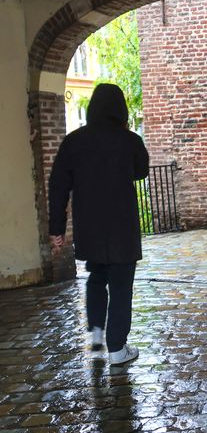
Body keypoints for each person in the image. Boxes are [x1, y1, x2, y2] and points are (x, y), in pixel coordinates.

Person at [49, 83, 149, 366]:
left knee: (96, 279)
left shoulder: (74, 141)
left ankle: (96, 336)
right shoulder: (129, 141)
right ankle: (117, 348)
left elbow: (58, 186)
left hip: (90, 228)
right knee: (120, 285)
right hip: (122, 228)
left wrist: (57, 228)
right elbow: (141, 170)